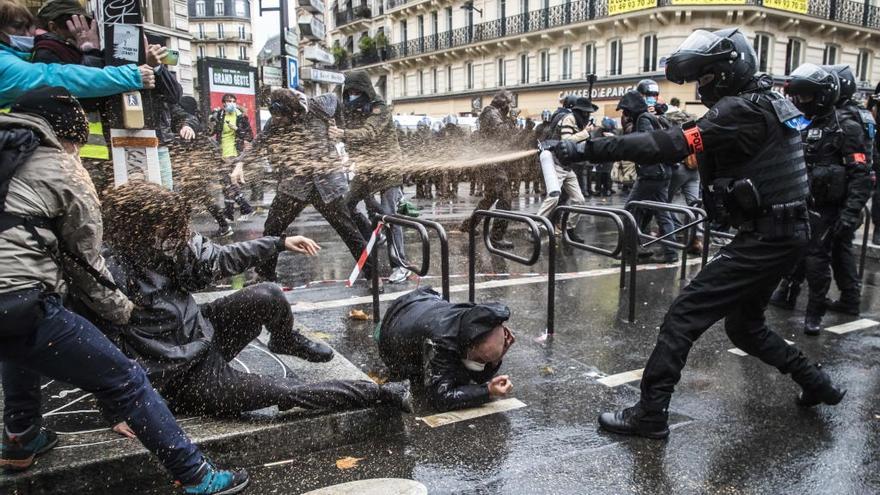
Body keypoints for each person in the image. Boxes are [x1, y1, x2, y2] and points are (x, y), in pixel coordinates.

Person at [554, 28, 846, 439]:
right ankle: (819, 384)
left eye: (705, 77)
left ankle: (650, 413)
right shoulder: (767, 102)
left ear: (728, 71)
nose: (700, 86)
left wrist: (587, 150)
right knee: (745, 327)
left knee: (683, 315)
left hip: (767, 237)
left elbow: (669, 143)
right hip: (784, 233)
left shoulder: (739, 111)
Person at [0, 87, 247, 494]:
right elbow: (86, 264)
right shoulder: (59, 166)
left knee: (17, 344)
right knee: (125, 378)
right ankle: (197, 476)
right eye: (77, 144)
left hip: (11, 308)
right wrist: (123, 312)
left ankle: (21, 436)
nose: (78, 153)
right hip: (18, 298)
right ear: (64, 135)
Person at [92, 181, 412, 422]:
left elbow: (215, 259)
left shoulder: (166, 243)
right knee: (284, 389)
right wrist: (119, 409)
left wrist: (279, 242)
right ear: (139, 227)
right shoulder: (105, 272)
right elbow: (99, 345)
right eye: (167, 226)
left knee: (268, 294)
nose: (176, 233)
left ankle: (284, 340)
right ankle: (381, 394)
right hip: (181, 376)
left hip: (202, 333)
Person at [233, 89, 369, 283]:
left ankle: (372, 273)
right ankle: (266, 275)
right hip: (294, 186)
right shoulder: (275, 121)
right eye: (275, 117)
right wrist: (240, 164)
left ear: (295, 112)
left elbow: (337, 101)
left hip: (325, 185)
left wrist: (338, 128)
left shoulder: (320, 105)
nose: (277, 121)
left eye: (282, 117)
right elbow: (259, 142)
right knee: (272, 227)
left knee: (348, 229)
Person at [774, 64, 871, 334]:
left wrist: (850, 213)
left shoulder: (846, 128)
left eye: (806, 97)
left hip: (828, 208)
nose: (801, 102)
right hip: (802, 203)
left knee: (817, 260)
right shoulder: (803, 124)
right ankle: (787, 294)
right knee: (795, 253)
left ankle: (814, 313)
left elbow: (860, 174)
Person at [330, 70, 411, 284]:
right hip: (367, 169)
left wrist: (343, 134)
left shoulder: (379, 108)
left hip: (388, 168)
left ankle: (401, 265)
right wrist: (350, 157)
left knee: (389, 215)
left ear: (365, 91)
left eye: (357, 92)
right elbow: (355, 142)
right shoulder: (351, 110)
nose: (352, 96)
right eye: (350, 92)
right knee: (346, 205)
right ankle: (375, 235)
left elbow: (369, 133)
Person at [378, 288, 515, 412]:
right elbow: (441, 397)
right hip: (393, 327)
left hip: (424, 302)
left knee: (461, 374)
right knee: (455, 376)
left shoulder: (476, 318)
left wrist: (495, 360)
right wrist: (487, 391)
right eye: (481, 359)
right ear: (471, 345)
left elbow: (478, 375)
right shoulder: (440, 341)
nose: (481, 364)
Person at [0, 0, 155, 106]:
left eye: (29, 27)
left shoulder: (19, 56)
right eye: (18, 27)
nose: (28, 34)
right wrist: (130, 75)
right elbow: (57, 76)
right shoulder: (7, 63)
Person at [824, 64, 876, 315]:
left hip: (841, 198)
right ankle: (849, 298)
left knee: (837, 248)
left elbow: (860, 169)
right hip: (845, 195)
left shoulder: (845, 120)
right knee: (837, 248)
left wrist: (849, 211)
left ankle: (849, 298)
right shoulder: (859, 114)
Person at [616, 89, 678, 263]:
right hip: (661, 172)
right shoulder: (650, 117)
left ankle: (632, 249)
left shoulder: (643, 119)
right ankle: (671, 253)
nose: (625, 114)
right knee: (662, 213)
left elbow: (646, 143)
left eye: (625, 110)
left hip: (651, 174)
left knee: (630, 210)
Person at [458, 90, 517, 249]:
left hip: (492, 162)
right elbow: (500, 133)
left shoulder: (493, 114)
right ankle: (496, 237)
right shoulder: (491, 113)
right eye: (509, 103)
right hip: (491, 164)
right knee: (505, 198)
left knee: (490, 197)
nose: (510, 107)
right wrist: (512, 119)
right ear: (503, 103)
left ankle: (469, 225)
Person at [535, 95, 595, 243]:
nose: (588, 116)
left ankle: (569, 228)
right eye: (586, 113)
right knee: (554, 196)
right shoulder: (569, 118)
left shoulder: (577, 121)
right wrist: (585, 133)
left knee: (579, 200)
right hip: (557, 163)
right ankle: (534, 227)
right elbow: (566, 141)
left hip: (567, 166)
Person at [211, 93, 254, 227]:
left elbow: (249, 135)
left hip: (235, 154)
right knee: (226, 185)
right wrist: (213, 120)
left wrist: (237, 129)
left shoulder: (241, 116)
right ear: (223, 103)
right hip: (222, 154)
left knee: (229, 183)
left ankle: (246, 208)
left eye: (232, 101)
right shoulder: (220, 115)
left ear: (235, 103)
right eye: (227, 101)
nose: (230, 103)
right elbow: (212, 132)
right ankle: (229, 214)